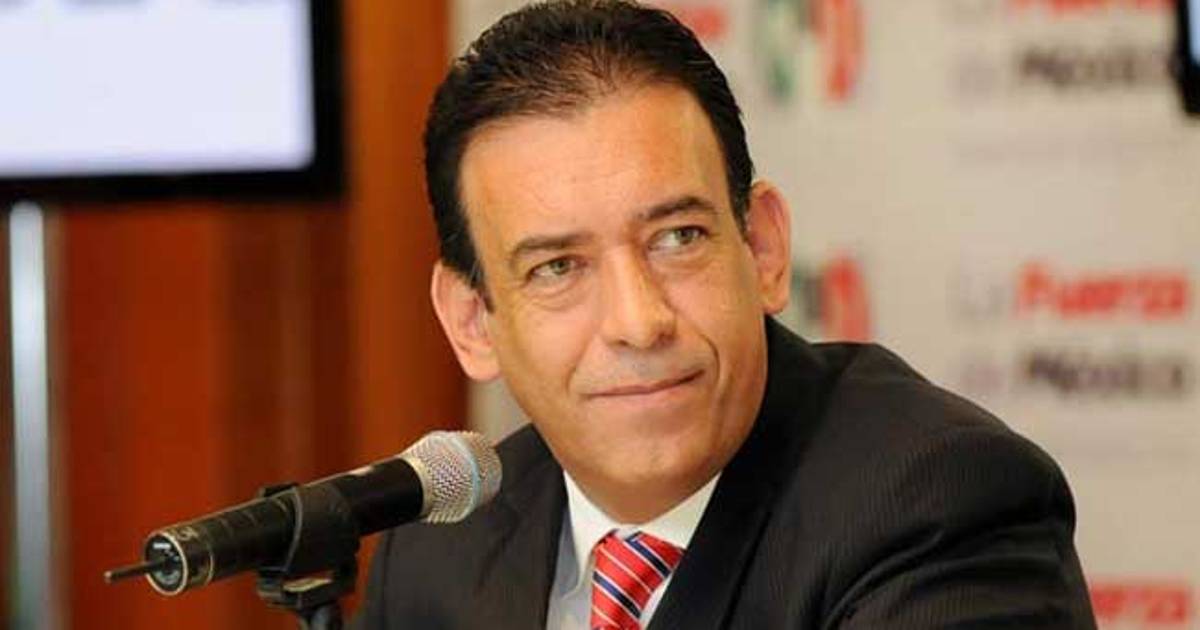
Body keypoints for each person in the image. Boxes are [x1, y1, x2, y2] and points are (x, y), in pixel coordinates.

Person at [351, 1, 1097, 628]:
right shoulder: (438, 549)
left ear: (763, 249)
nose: (639, 322)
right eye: (558, 268)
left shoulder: (937, 504)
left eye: (678, 238)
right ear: (472, 322)